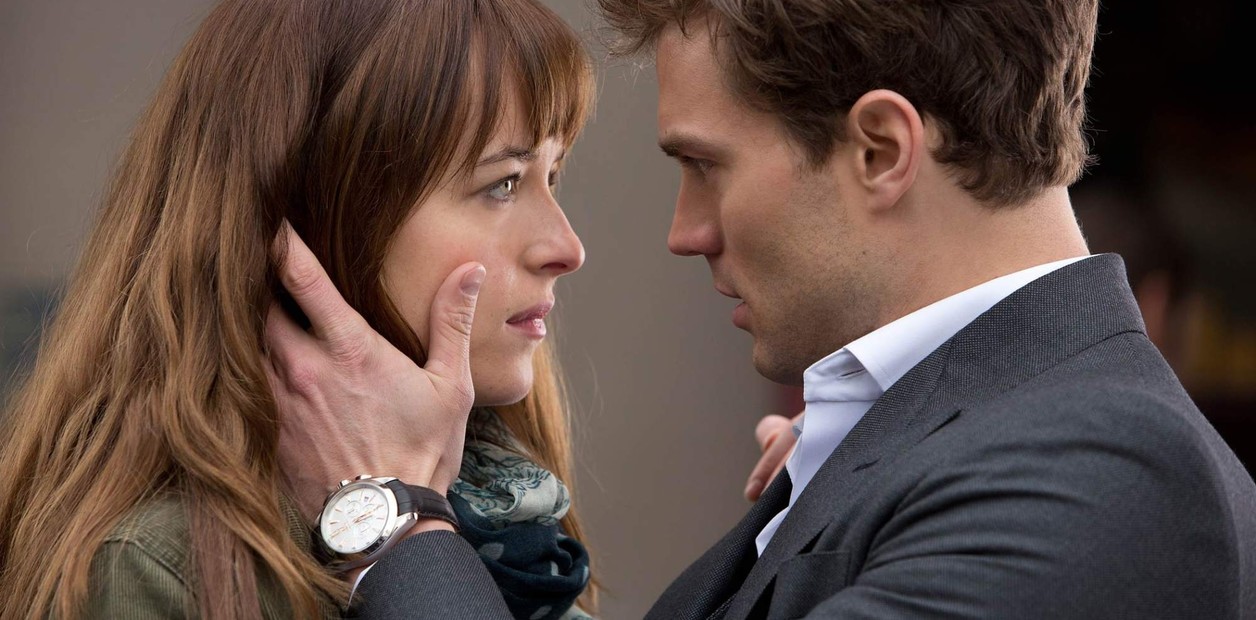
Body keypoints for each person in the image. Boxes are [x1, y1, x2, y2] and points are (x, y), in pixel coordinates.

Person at [268, 0, 1256, 618]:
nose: (683, 230)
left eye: (705, 166)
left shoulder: (1105, 476)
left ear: (879, 150)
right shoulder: (969, 442)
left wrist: (391, 517)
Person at [0, 0, 606, 618]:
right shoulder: (167, 570)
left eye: (553, 176)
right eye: (502, 183)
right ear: (319, 220)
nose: (566, 248)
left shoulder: (523, 534)